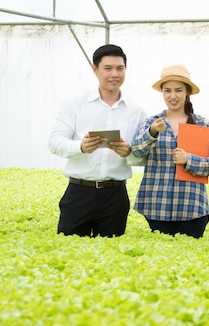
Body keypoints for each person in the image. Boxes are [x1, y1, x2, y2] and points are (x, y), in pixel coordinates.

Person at [48, 44, 147, 237]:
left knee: (111, 257)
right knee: (70, 253)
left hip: (115, 196)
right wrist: (81, 147)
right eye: (108, 68)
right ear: (95, 70)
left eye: (120, 68)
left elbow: (143, 157)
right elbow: (54, 141)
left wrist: (129, 152)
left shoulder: (137, 111)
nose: (114, 74)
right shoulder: (75, 103)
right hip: (79, 192)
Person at [131, 64, 209, 238]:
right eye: (167, 91)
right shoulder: (152, 122)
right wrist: (152, 133)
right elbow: (136, 152)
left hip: (192, 206)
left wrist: (189, 160)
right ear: (162, 93)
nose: (172, 96)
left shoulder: (201, 124)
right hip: (157, 206)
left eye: (178, 90)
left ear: (187, 92)